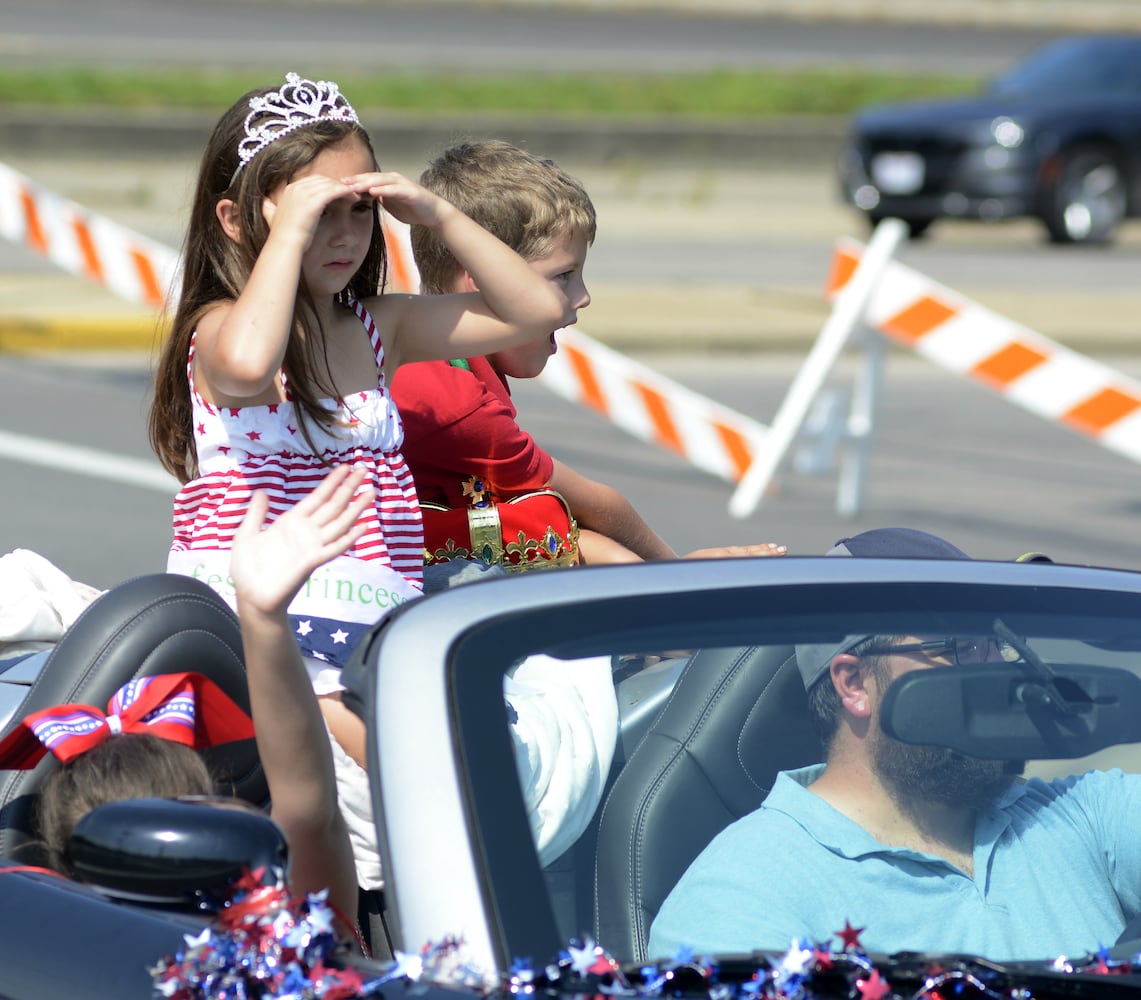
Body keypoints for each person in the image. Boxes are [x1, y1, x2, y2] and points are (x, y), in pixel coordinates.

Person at [148, 75, 573, 667]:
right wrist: (289, 234)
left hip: (369, 626)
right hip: (257, 629)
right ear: (237, 220)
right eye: (319, 212)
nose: (345, 235)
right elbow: (247, 369)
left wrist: (439, 217)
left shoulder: (382, 328)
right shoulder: (220, 328)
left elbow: (538, 310)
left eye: (360, 209)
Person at [648, 527, 1141, 961]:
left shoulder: (1079, 816)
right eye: (959, 648)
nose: (997, 668)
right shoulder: (745, 895)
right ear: (854, 684)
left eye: (995, 641)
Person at [0, 465, 369, 938]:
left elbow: (308, 814)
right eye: (206, 800)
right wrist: (262, 617)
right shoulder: (276, 945)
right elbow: (308, 813)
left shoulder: (39, 948)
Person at [391, 139, 785, 567]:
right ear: (484, 281)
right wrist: (676, 573)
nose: (582, 297)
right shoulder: (451, 397)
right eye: (562, 276)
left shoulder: (451, 366)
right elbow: (593, 504)